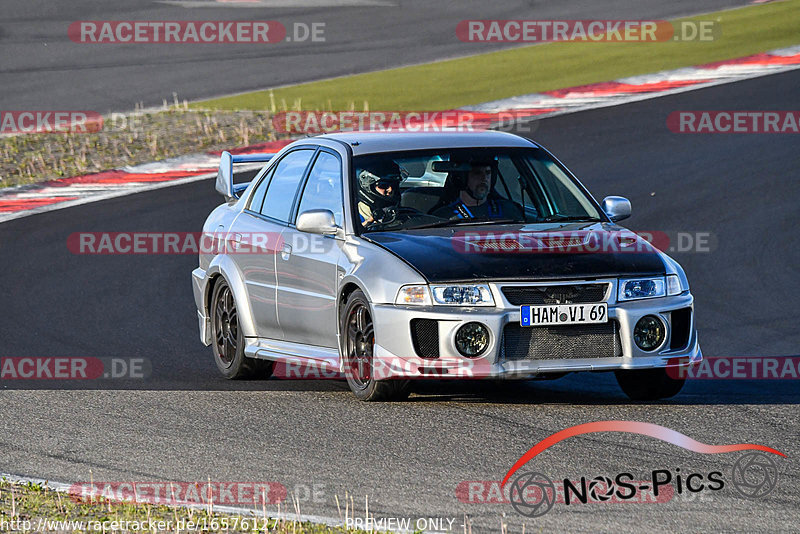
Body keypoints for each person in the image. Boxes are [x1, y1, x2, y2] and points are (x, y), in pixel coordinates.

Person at [431, 159, 523, 220]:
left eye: (488, 173)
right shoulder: (443, 217)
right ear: (462, 179)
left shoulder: (509, 210)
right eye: (477, 173)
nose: (484, 178)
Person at [357, 160, 404, 227]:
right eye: (383, 185)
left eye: (394, 185)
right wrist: (370, 221)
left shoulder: (401, 208)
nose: (390, 190)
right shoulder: (353, 214)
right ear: (368, 186)